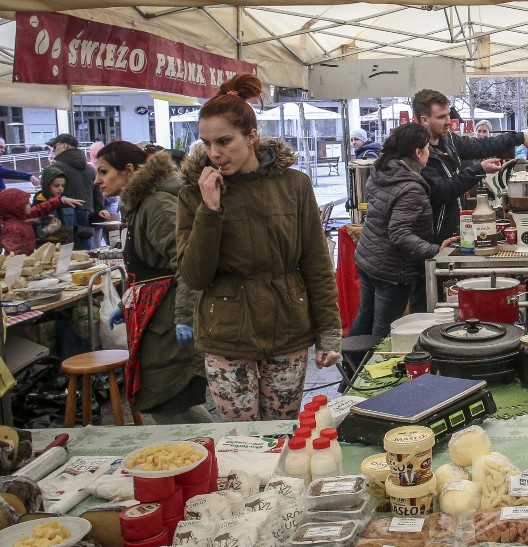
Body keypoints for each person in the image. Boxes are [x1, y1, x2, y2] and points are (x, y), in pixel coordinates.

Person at [176, 73, 341, 422]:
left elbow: (316, 262)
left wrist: (329, 332)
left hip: (288, 329)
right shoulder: (194, 193)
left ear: (251, 137)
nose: (214, 154)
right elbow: (194, 275)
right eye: (206, 144)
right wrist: (210, 210)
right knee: (242, 442)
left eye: (224, 141)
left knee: (282, 434)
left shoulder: (294, 184)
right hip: (226, 336)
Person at [94, 141, 211, 425]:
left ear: (129, 170)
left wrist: (185, 318)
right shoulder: (140, 205)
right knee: (168, 404)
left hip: (168, 323)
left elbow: (187, 262)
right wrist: (127, 301)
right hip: (155, 320)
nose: (96, 180)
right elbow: (147, 268)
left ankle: (204, 457)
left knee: (168, 400)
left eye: (103, 172)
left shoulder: (156, 204)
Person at [349, 123, 457, 337]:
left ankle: (350, 365)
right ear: (418, 152)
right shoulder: (411, 188)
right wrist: (433, 249)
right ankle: (370, 368)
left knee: (365, 316)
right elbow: (399, 234)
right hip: (391, 268)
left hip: (368, 256)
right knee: (384, 329)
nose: (429, 152)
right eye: (427, 148)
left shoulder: (383, 170)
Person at [413, 89, 528, 245]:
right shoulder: (418, 153)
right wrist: (480, 169)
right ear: (424, 120)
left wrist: (519, 138)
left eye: (448, 114)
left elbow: (482, 145)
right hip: (434, 240)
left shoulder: (449, 140)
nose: (448, 121)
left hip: (454, 231)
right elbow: (443, 191)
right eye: (441, 117)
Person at [47, 133, 109, 249]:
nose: (53, 150)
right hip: (85, 227)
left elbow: (46, 201)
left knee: (61, 266)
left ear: (65, 146)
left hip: (60, 231)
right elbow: (98, 197)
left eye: (55, 146)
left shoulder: (53, 170)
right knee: (85, 263)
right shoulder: (90, 170)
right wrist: (96, 216)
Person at [0, 188, 83, 255]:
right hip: (18, 267)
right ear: (15, 207)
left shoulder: (21, 216)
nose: (30, 204)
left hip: (27, 261)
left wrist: (61, 200)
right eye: (26, 203)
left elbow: (40, 209)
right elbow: (14, 253)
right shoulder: (11, 228)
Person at [32, 166, 77, 247]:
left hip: (66, 243)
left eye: (63, 186)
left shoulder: (65, 199)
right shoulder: (39, 202)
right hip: (47, 246)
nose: (61, 189)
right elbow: (36, 231)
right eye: (56, 186)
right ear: (47, 185)